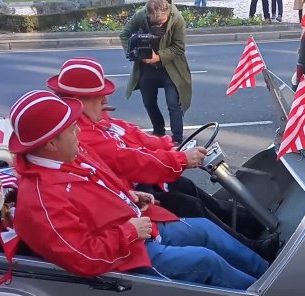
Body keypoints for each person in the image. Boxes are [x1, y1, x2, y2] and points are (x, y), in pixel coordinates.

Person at [8, 90, 269, 289]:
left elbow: (104, 181)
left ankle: (269, 274)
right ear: (51, 143)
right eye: (70, 129)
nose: (78, 129)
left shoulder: (69, 155)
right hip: (127, 258)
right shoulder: (41, 201)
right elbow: (83, 257)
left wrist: (130, 196)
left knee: (204, 228)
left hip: (140, 230)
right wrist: (129, 231)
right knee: (204, 260)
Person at [47, 57, 279, 261]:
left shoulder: (97, 119)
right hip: (131, 193)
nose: (106, 100)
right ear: (78, 101)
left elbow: (134, 136)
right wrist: (178, 159)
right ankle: (251, 248)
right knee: (190, 206)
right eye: (99, 97)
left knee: (188, 187)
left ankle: (252, 225)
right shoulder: (84, 133)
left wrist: (171, 148)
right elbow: (129, 160)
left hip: (135, 187)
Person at [120, 0, 192, 145]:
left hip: (170, 67)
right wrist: (132, 52)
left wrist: (158, 56)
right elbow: (124, 34)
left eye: (162, 22)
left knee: (173, 104)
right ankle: (158, 131)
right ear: (148, 14)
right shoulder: (140, 16)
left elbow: (179, 47)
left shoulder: (177, 18)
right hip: (146, 67)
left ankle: (177, 139)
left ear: (167, 13)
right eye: (155, 23)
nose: (159, 25)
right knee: (149, 102)